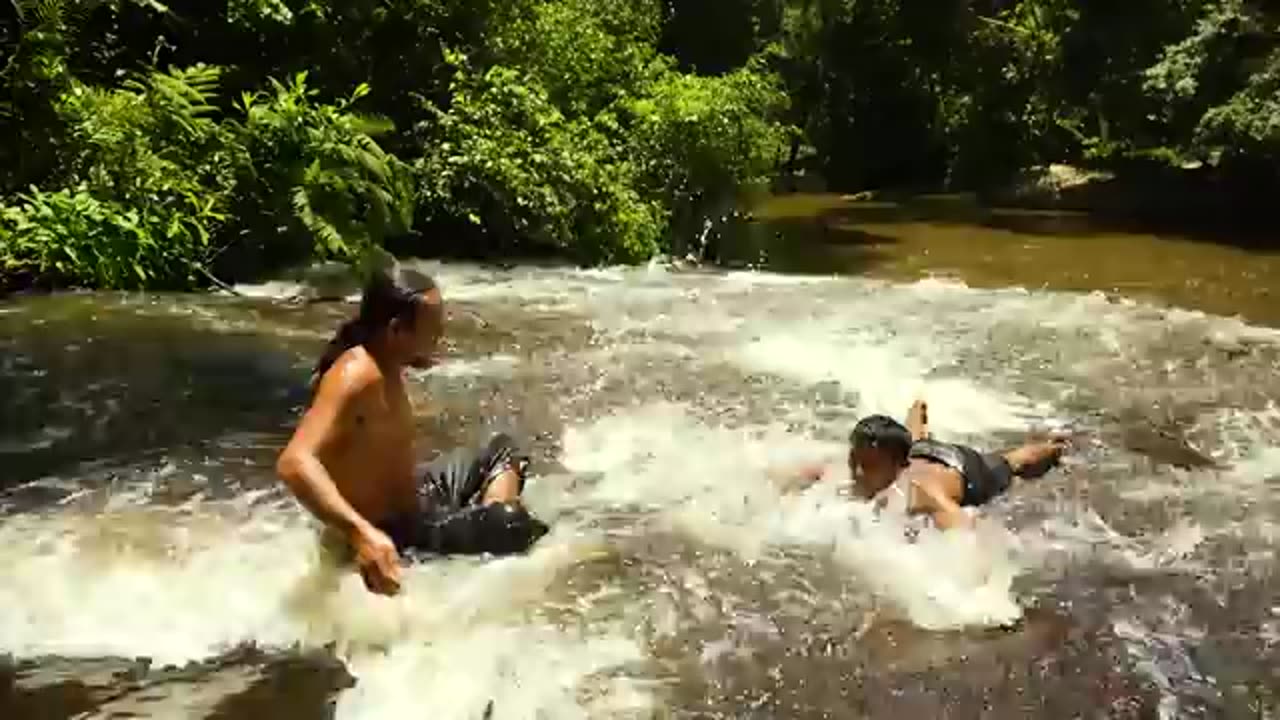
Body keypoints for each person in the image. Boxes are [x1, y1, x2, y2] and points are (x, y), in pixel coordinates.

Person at [275, 264, 548, 596]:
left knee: (502, 447)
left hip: (415, 502)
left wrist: (414, 355)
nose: (440, 337)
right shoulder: (356, 376)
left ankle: (481, 523)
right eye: (433, 330)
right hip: (394, 533)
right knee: (512, 524)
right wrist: (361, 534)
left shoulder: (384, 360)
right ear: (395, 331)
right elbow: (294, 462)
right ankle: (485, 534)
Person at [784, 399, 1069, 530]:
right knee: (914, 439)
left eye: (867, 466)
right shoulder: (865, 466)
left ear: (898, 467)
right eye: (853, 460)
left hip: (965, 469)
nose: (857, 472)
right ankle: (917, 410)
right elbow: (798, 475)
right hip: (921, 451)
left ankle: (1056, 445)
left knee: (1011, 461)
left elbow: (964, 532)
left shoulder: (921, 492)